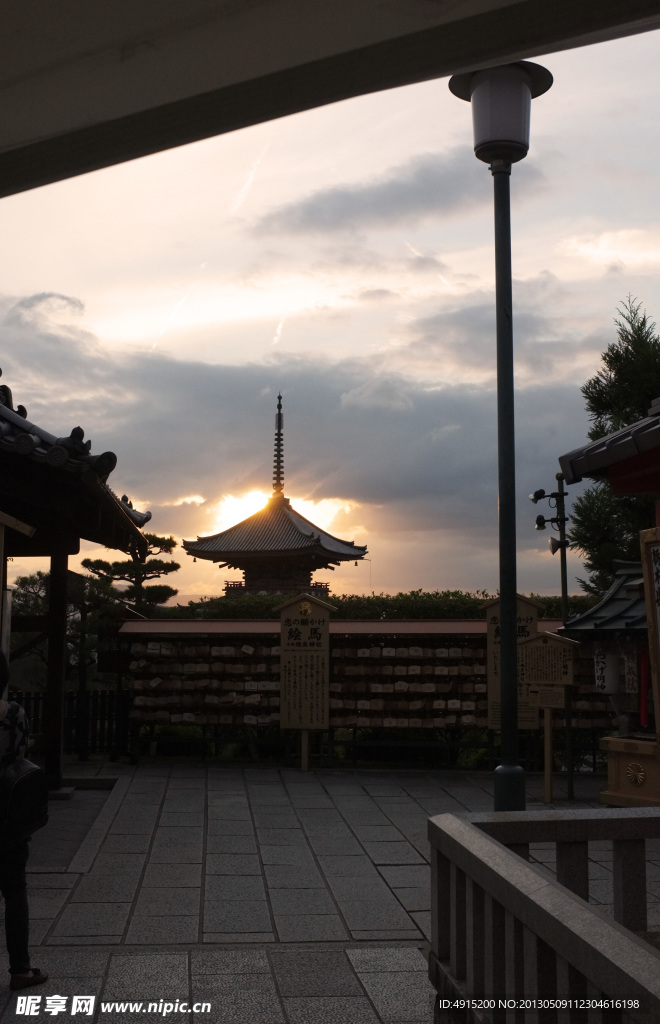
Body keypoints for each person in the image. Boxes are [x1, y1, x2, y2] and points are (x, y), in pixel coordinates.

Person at [0, 653, 47, 991]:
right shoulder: (14, 714)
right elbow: (20, 757)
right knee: (14, 890)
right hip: (5, 814)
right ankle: (20, 968)